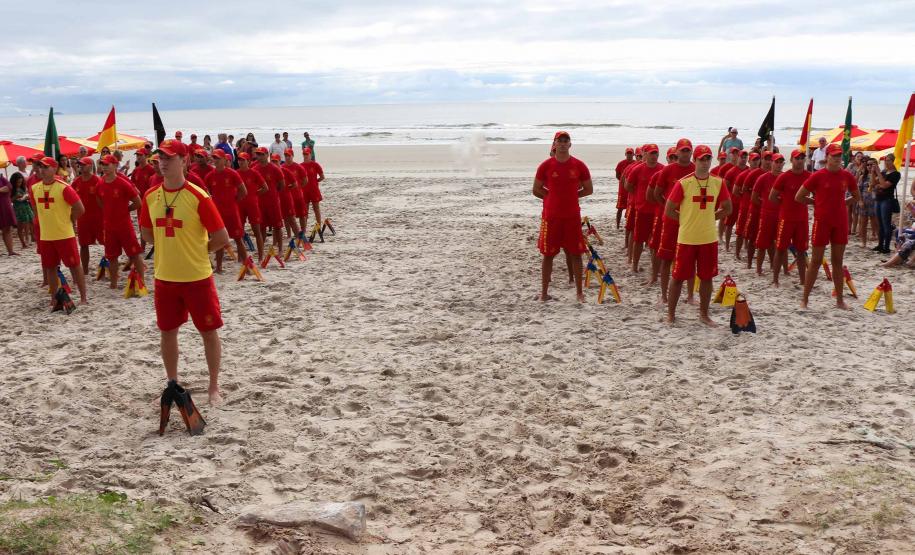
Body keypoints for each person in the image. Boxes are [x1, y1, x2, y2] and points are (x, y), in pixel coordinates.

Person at [138, 139, 229, 406]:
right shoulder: (150, 196)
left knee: (208, 331)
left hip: (197, 277)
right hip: (165, 277)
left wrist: (199, 251)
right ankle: (172, 382)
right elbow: (146, 233)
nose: (163, 163)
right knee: (168, 331)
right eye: (160, 158)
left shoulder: (198, 196)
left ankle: (214, 387)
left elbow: (221, 236)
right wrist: (171, 245)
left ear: (184, 161)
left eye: (169, 158)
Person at [664, 145, 731, 325]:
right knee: (678, 277)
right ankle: (671, 314)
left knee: (707, 278)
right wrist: (685, 220)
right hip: (687, 237)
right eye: (701, 158)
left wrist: (711, 218)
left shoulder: (718, 182)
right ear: (695, 161)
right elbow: (669, 210)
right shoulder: (684, 183)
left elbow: (728, 208)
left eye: (708, 158)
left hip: (708, 238)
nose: (705, 162)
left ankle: (704, 314)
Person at [795, 144, 861, 309]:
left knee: (837, 261)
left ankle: (839, 301)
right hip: (821, 221)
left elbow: (856, 196)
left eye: (840, 156)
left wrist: (842, 204)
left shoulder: (847, 175)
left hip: (840, 221)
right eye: (834, 156)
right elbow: (799, 196)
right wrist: (816, 203)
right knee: (816, 261)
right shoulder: (818, 176)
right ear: (827, 157)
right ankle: (805, 299)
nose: (838, 158)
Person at [532, 131, 593, 302]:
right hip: (551, 217)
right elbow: (536, 189)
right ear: (555, 144)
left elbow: (589, 189)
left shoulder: (579, 165)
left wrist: (572, 196)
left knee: (576, 254)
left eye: (566, 141)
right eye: (560, 141)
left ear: (570, 144)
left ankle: (579, 293)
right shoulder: (545, 165)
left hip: (572, 216)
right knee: (548, 255)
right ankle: (544, 293)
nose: (563, 143)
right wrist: (550, 197)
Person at [31, 157, 88, 304]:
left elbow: (80, 208)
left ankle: (83, 297)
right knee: (50, 267)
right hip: (46, 235)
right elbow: (36, 210)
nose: (42, 170)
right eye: (40, 167)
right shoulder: (35, 188)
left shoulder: (64, 187)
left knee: (74, 265)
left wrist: (70, 219)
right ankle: (54, 298)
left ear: (54, 168)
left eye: (45, 167)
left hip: (64, 234)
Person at [653, 139, 696, 304]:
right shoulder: (668, 170)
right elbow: (657, 193)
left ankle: (691, 295)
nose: (685, 153)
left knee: (691, 259)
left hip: (690, 222)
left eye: (688, 150)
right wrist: (668, 208)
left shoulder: (695, 168)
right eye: (683, 150)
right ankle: (664, 295)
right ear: (676, 152)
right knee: (666, 258)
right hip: (671, 221)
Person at [98, 154, 145, 288]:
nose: (104, 167)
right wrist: (108, 210)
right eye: (102, 164)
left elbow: (138, 202)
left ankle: (141, 281)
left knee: (134, 254)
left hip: (124, 225)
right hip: (109, 225)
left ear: (115, 165)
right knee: (112, 256)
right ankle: (113, 284)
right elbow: (99, 199)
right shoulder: (101, 182)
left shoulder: (122, 182)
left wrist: (125, 210)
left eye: (107, 164)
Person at [770, 149, 811, 287]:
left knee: (801, 251)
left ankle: (803, 280)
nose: (800, 160)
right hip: (786, 218)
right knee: (780, 249)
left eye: (802, 158)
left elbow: (818, 193)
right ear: (791, 160)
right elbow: (772, 196)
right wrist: (784, 205)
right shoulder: (784, 176)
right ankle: (775, 279)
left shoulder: (809, 176)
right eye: (797, 158)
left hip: (802, 219)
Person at [204, 150, 248, 273]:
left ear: (224, 160)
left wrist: (234, 201)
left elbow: (243, 191)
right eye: (214, 158)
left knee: (239, 239)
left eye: (218, 158)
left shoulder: (232, 174)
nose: (216, 160)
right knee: (219, 240)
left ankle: (246, 266)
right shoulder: (209, 176)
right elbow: (207, 193)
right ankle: (219, 267)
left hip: (232, 212)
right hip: (218, 213)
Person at [626, 143, 663, 273]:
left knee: (655, 241)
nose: (654, 156)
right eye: (651, 153)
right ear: (645, 154)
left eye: (656, 153)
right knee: (638, 239)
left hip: (657, 210)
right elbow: (628, 186)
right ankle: (635, 265)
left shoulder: (662, 169)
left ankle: (655, 268)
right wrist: (638, 196)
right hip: (642, 210)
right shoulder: (638, 169)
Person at [752, 152, 784, 275]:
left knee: (779, 244)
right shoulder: (763, 178)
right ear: (772, 163)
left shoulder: (784, 177)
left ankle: (775, 266)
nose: (779, 164)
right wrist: (766, 206)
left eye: (781, 162)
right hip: (766, 215)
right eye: (776, 162)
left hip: (781, 215)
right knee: (762, 244)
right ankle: (759, 269)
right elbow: (754, 197)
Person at [72, 157, 105, 274]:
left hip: (98, 218)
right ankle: (85, 270)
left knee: (106, 242)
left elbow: (104, 199)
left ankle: (108, 267)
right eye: (80, 164)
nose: (81, 166)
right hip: (83, 219)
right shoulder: (76, 181)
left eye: (83, 164)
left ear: (90, 166)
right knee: (84, 245)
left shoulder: (97, 180)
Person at [253, 147, 286, 252]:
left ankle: (280, 249)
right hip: (259, 203)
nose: (259, 156)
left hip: (273, 202)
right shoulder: (254, 169)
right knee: (261, 227)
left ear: (267, 155)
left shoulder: (274, 168)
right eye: (258, 154)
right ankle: (261, 249)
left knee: (277, 226)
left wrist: (273, 193)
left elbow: (282, 185)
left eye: (262, 154)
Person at [236, 152, 267, 261]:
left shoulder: (254, 173)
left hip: (252, 205)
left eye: (243, 160)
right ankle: (241, 257)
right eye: (239, 160)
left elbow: (265, 188)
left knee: (257, 231)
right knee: (239, 232)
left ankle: (260, 257)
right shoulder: (236, 173)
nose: (240, 162)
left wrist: (254, 194)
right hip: (240, 205)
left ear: (248, 161)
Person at [872, 154, 901, 254]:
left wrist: (878, 173)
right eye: (885, 160)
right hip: (878, 199)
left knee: (886, 224)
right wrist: (873, 172)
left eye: (888, 160)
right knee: (879, 224)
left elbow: (884, 185)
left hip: (887, 200)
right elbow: (873, 184)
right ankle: (880, 245)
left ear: (893, 161)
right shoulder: (884, 172)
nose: (886, 162)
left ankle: (886, 247)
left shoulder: (896, 174)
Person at [300, 148, 325, 232]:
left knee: (316, 208)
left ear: (310, 154)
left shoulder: (315, 165)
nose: (305, 156)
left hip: (314, 190)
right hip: (304, 191)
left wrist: (315, 181)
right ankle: (304, 229)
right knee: (305, 211)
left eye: (307, 154)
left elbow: (322, 177)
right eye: (304, 154)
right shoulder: (301, 166)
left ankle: (319, 226)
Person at [10, 173, 34, 249]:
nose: (19, 184)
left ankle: (28, 239)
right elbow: (10, 200)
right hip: (18, 208)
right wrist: (16, 197)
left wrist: (27, 197)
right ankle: (23, 242)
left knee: (29, 223)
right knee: (21, 226)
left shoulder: (22, 188)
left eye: (20, 182)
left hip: (26, 207)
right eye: (17, 182)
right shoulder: (11, 189)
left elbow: (27, 195)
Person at [614, 148, 635, 230]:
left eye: (631, 153)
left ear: (633, 155)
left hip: (631, 190)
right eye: (628, 153)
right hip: (622, 190)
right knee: (620, 208)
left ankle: (628, 225)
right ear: (625, 154)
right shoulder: (621, 163)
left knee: (630, 208)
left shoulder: (635, 163)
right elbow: (617, 175)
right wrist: (623, 183)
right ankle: (618, 226)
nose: (629, 155)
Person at [0, 173, 17, 255]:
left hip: (5, 205)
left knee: (7, 228)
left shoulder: (2, 177)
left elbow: (9, 187)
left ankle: (10, 251)